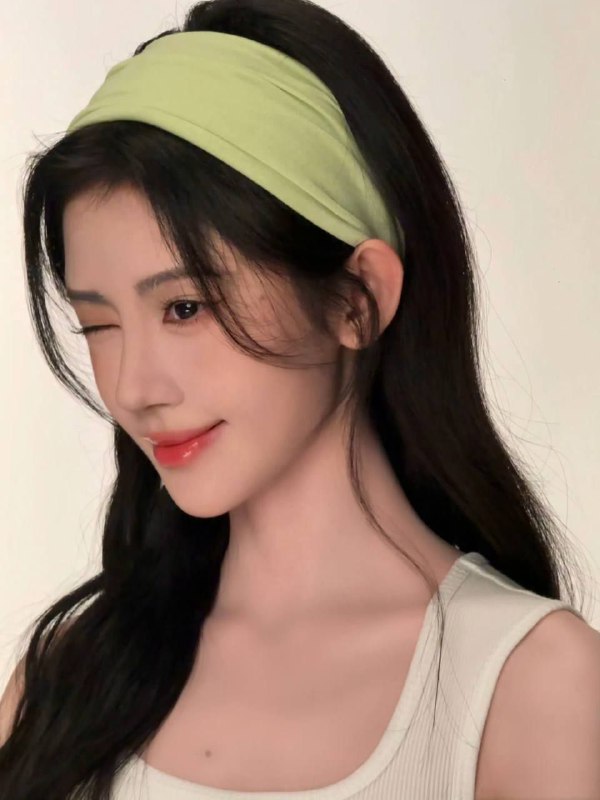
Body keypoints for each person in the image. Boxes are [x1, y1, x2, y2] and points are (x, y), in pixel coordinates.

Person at [1, 1, 599, 799]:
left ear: (357, 299)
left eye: (185, 308)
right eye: (99, 325)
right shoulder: (67, 680)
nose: (134, 388)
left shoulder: (528, 688)